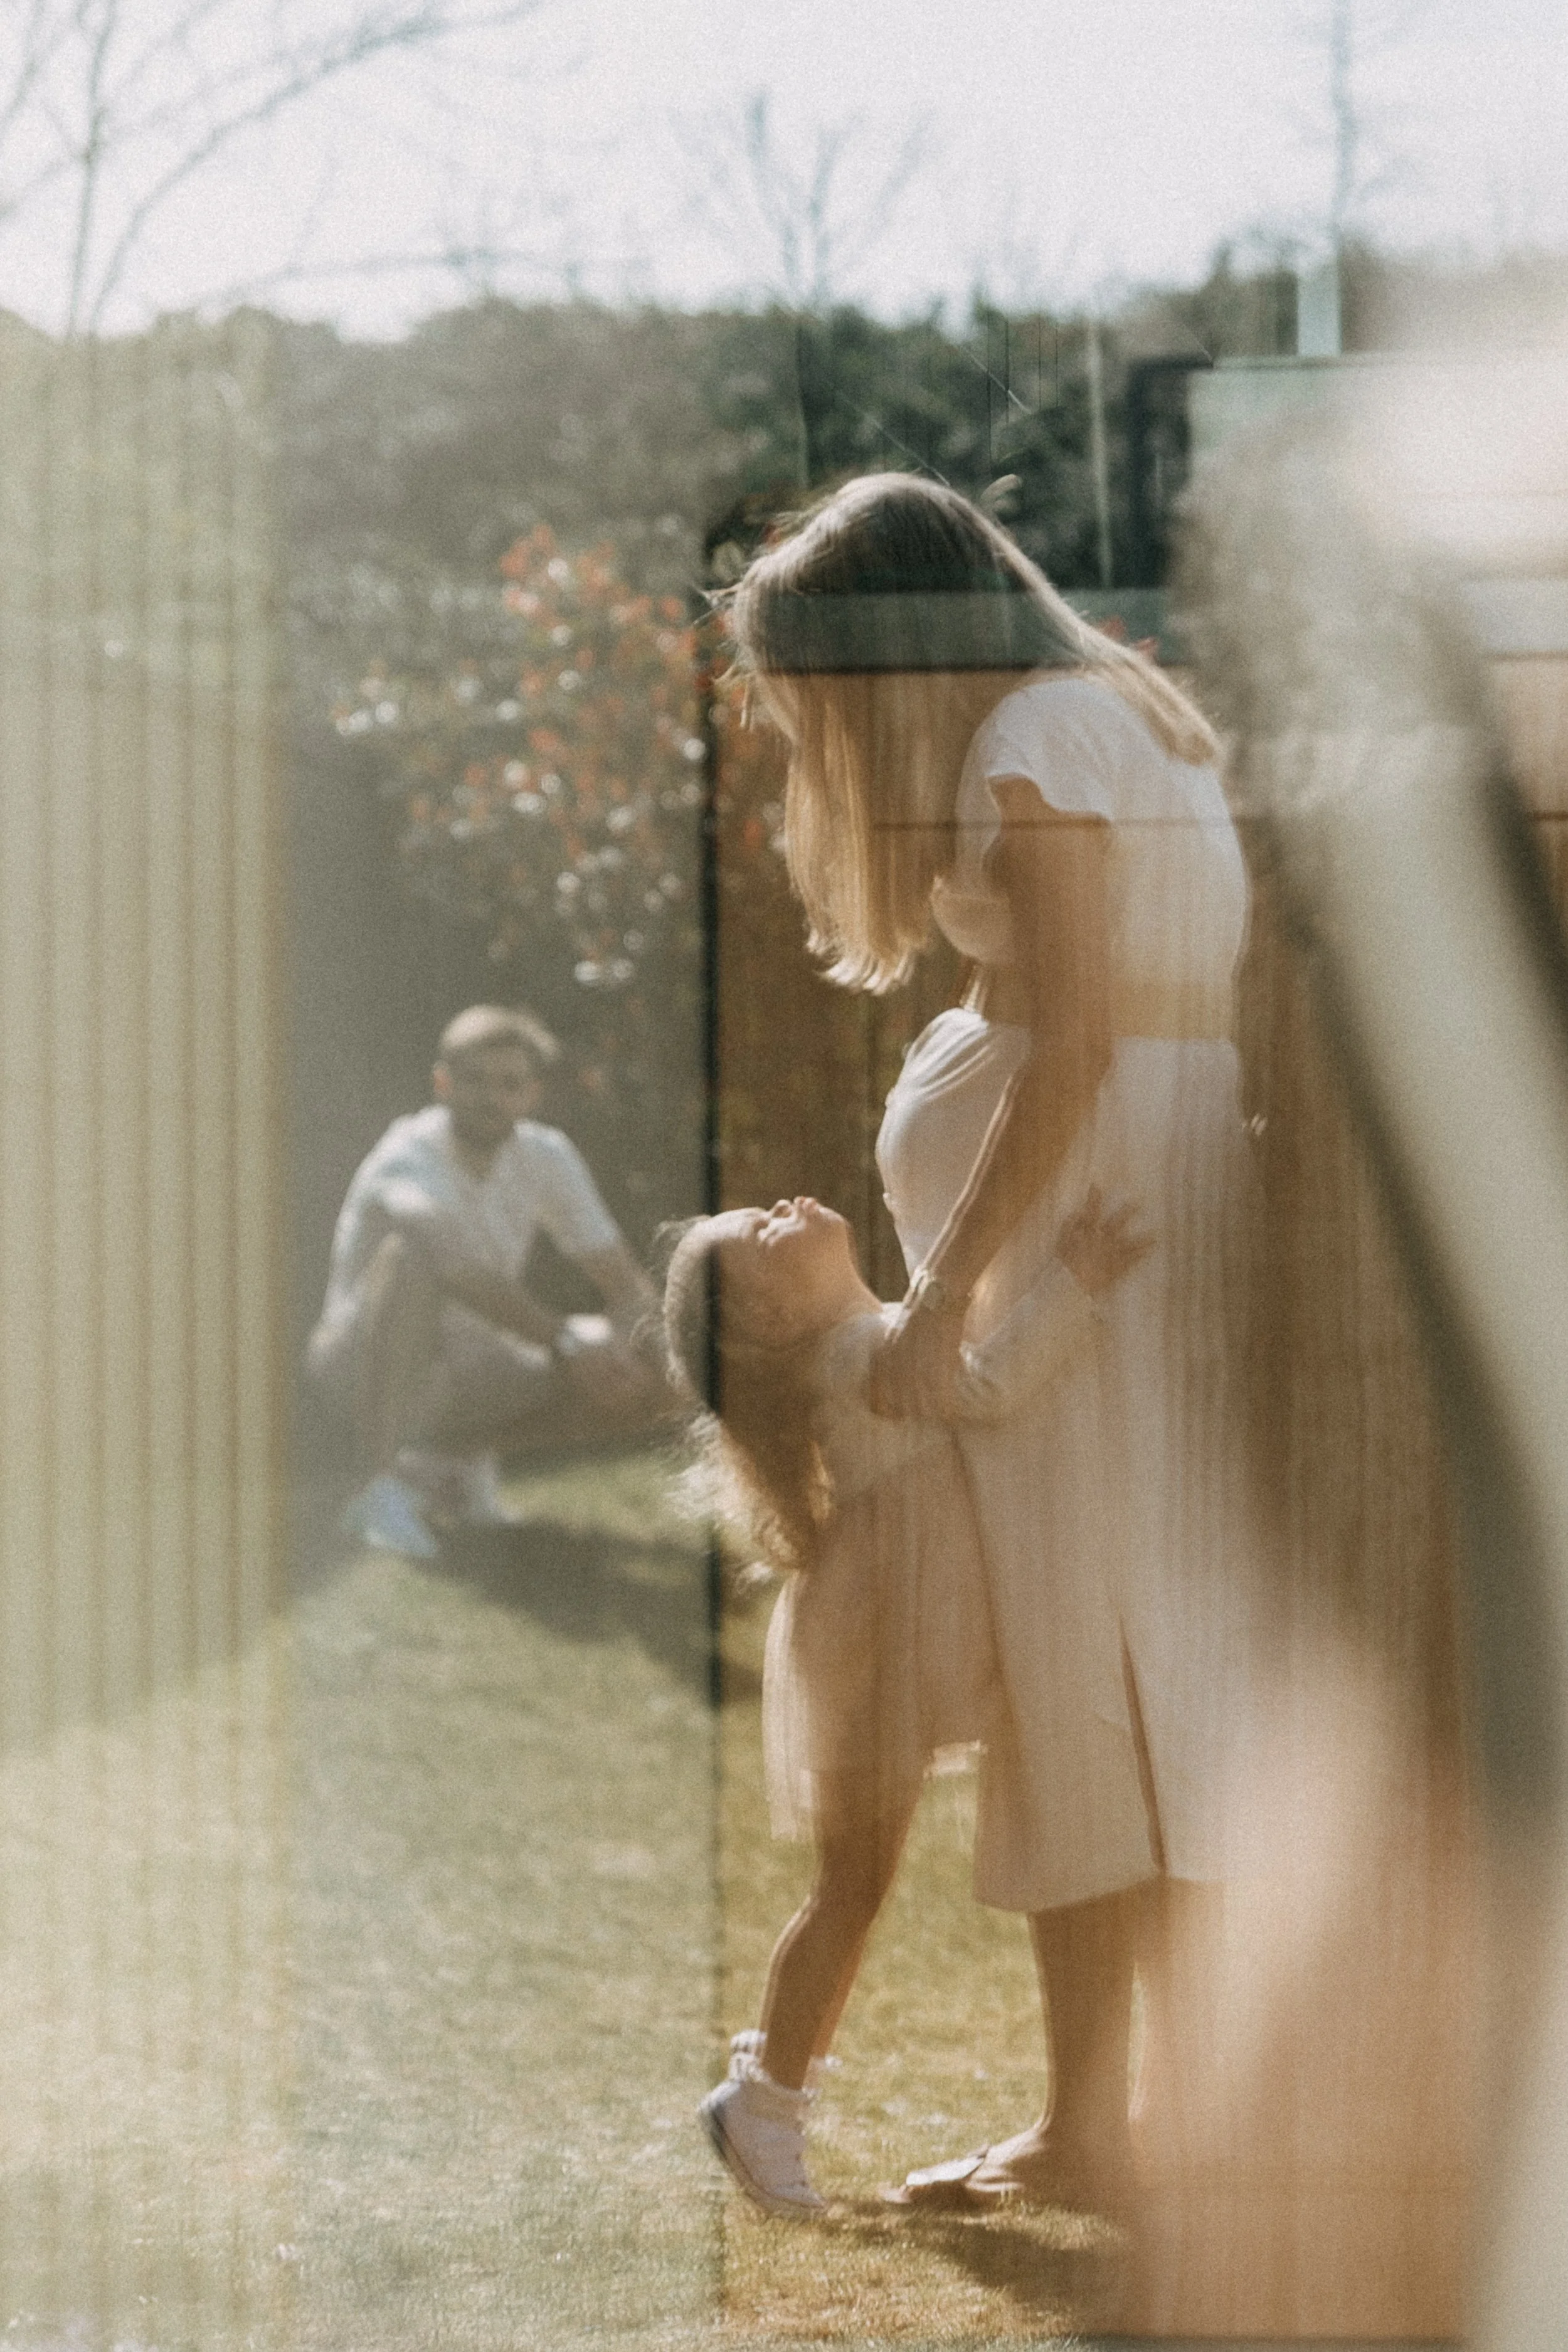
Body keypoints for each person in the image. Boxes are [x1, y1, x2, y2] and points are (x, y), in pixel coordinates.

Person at [724, 474, 1261, 2218]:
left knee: (1098, 1672)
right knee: (1099, 1668)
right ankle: (1111, 2122)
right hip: (1116, 1213)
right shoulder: (1108, 705)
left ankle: (1147, 2129)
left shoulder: (1035, 734)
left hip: (1078, 1227)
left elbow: (1081, 1021)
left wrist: (948, 1285)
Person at [664, 1187, 1152, 2216]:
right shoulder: (861, 1350)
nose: (778, 1207)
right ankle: (763, 2104)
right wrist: (1074, 1283)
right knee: (850, 1887)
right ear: (766, 1320)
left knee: (852, 1886)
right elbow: (983, 1387)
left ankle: (765, 2095)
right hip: (881, 1646)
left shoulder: (861, 1338)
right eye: (758, 1236)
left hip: (885, 1637)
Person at [309, 1004, 664, 1557]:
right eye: (473, 1080)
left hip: (469, 1368)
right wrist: (568, 1339)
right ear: (442, 1083)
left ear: (532, 1095)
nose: (490, 1098)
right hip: (355, 1368)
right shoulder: (406, 1155)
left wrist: (644, 1350)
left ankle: (447, 1467)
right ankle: (375, 1489)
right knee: (410, 1259)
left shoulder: (546, 1155)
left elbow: (622, 1280)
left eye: (509, 1084)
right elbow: (454, 1270)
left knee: (657, 1365)